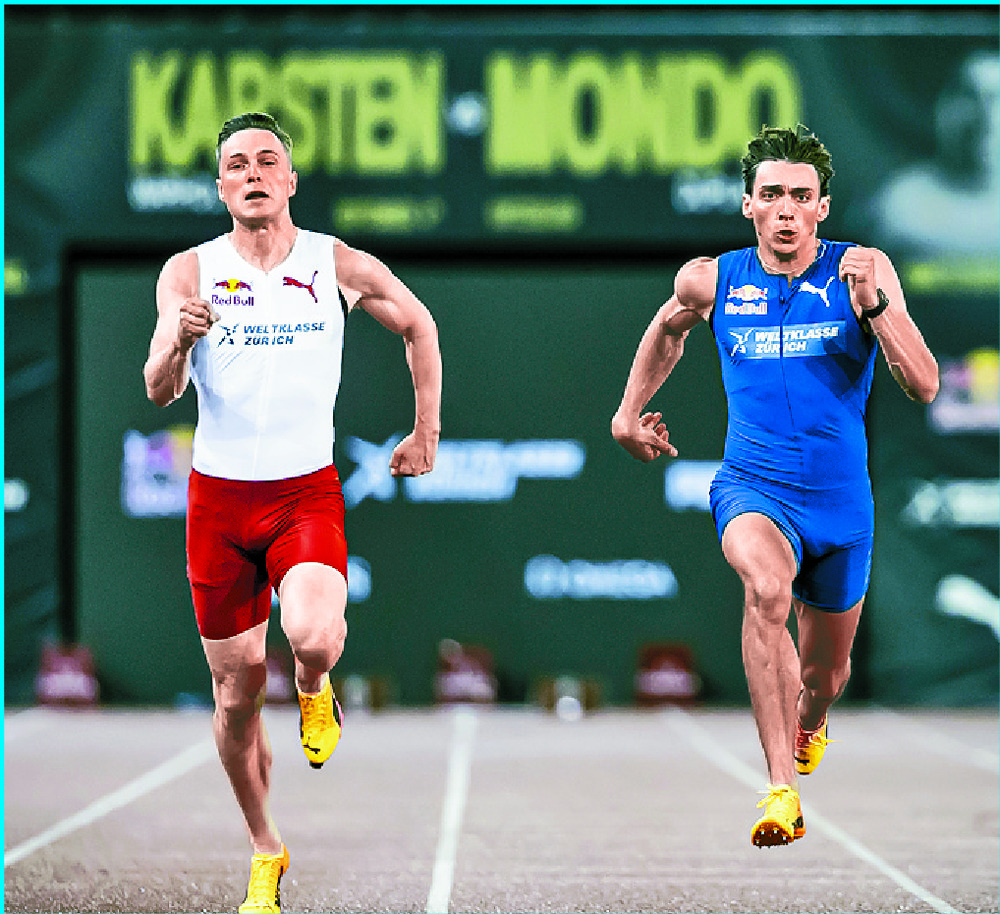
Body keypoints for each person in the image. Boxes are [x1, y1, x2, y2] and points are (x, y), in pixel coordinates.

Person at [143, 111, 441, 910]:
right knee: (236, 695)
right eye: (235, 164)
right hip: (219, 504)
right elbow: (157, 386)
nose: (251, 174)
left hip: (302, 493)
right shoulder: (189, 272)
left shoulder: (332, 262)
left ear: (290, 179)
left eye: (266, 161)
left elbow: (418, 323)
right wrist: (177, 339)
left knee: (312, 632)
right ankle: (266, 848)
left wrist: (425, 428)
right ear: (219, 186)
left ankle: (314, 681)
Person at [611, 125, 939, 847]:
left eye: (800, 196)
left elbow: (924, 383)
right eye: (771, 196)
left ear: (822, 207)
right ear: (747, 206)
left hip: (840, 507)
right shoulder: (713, 278)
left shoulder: (863, 269)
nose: (786, 209)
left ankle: (812, 720)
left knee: (826, 674)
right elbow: (670, 328)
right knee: (765, 591)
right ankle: (780, 793)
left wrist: (876, 308)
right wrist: (627, 413)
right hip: (753, 486)